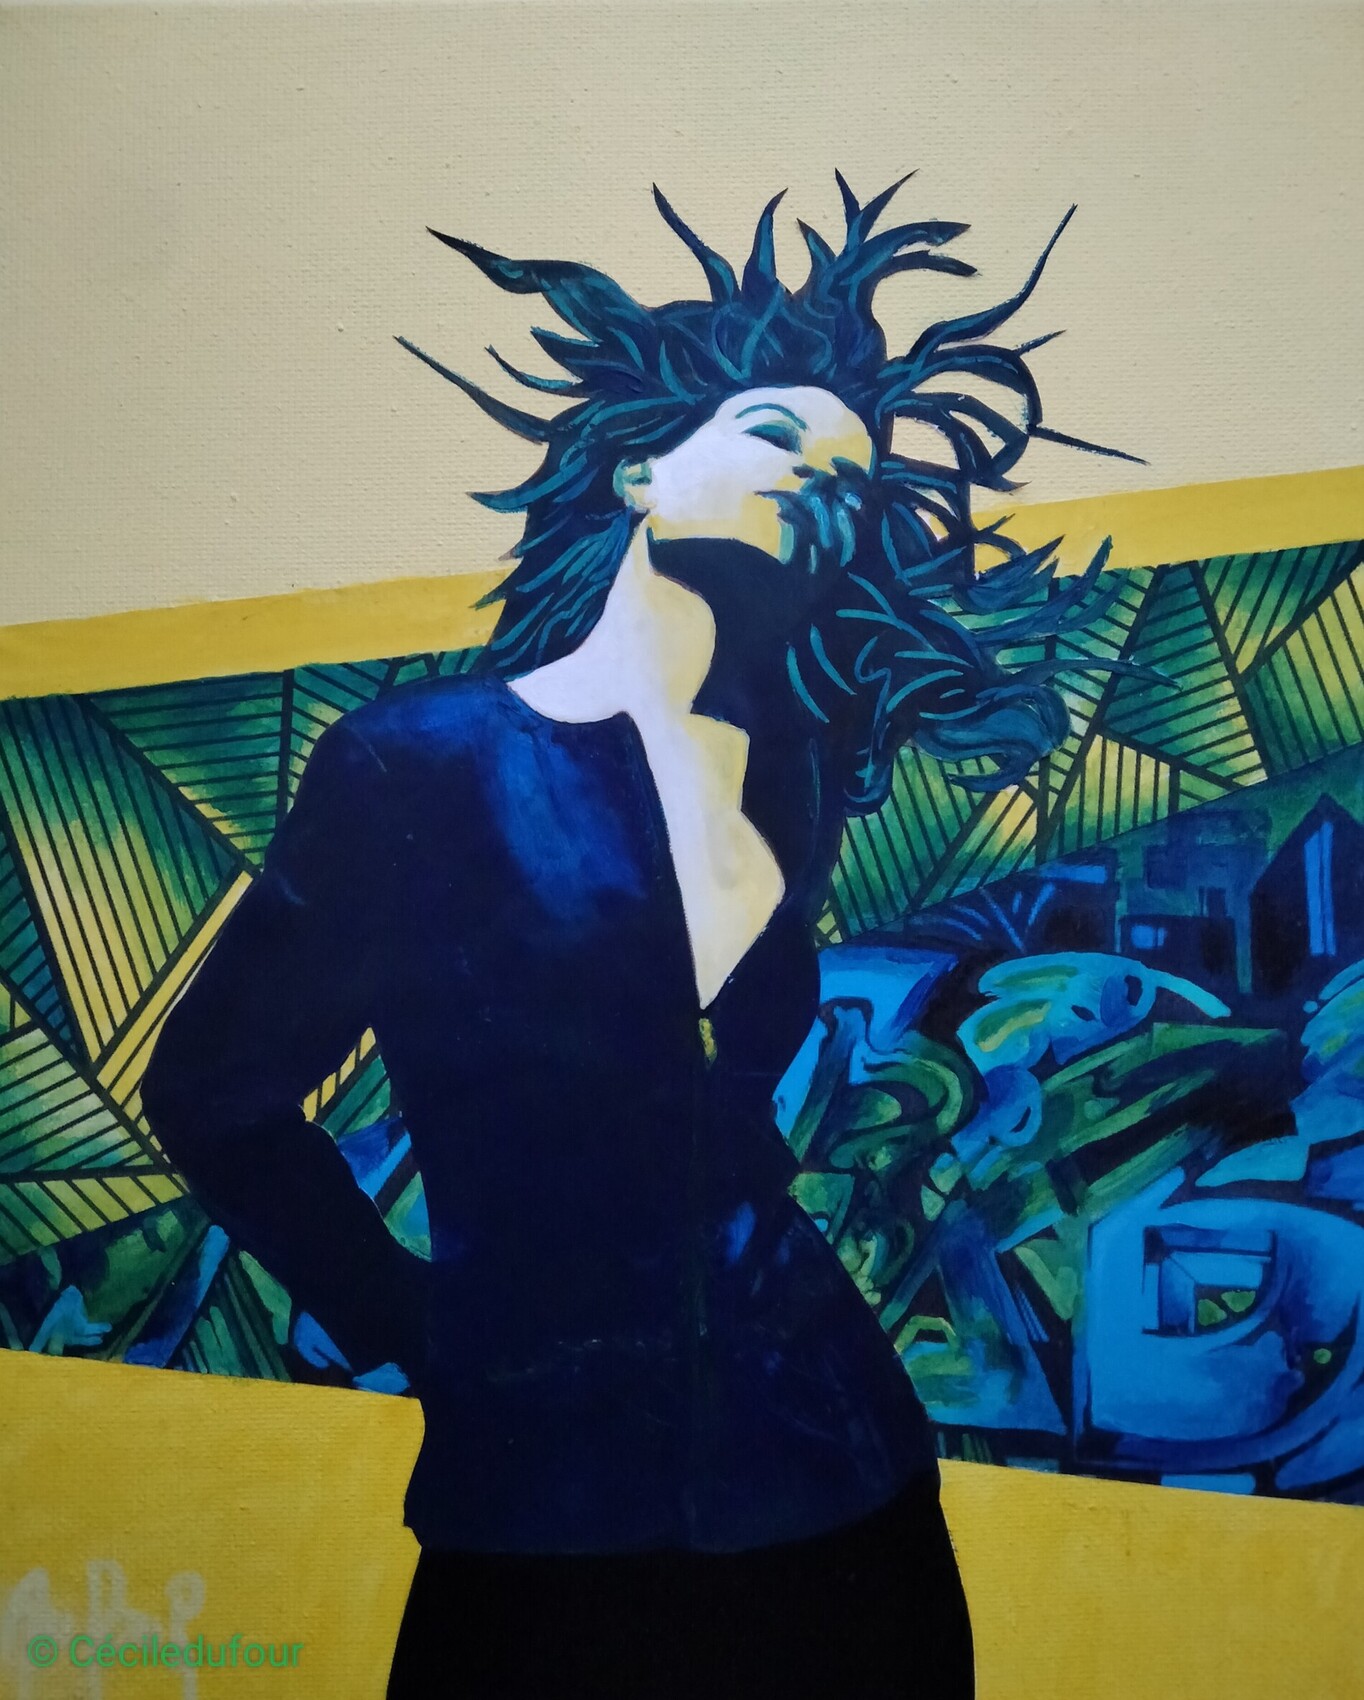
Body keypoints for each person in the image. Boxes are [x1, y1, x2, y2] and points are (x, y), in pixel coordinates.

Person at [142, 175, 1124, 1698]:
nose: (822, 486)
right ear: (640, 471)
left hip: (840, 1488)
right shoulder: (419, 766)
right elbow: (213, 1093)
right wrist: (413, 1321)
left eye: (854, 485)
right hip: (542, 1515)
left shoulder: (794, 777)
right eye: (779, 436)